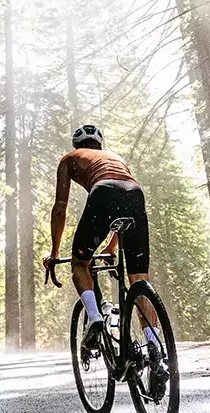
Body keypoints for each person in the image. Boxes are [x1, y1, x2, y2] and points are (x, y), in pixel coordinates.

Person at [43, 122, 159, 357]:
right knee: (139, 280)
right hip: (135, 193)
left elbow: (60, 209)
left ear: (76, 144)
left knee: (80, 264)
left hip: (102, 191)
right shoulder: (114, 157)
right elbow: (121, 206)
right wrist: (112, 246)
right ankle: (155, 347)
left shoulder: (69, 158)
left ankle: (95, 318)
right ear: (99, 144)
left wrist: (54, 254)